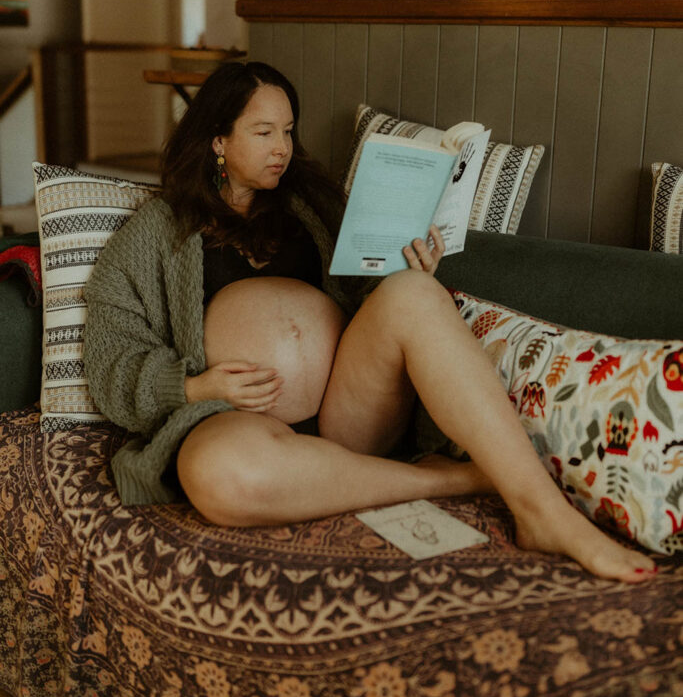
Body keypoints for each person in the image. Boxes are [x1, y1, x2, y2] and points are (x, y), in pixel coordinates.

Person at [83, 61, 658, 584]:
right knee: (216, 477)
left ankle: (543, 510)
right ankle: (451, 480)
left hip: (348, 409)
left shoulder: (313, 205)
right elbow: (110, 351)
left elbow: (371, 303)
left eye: (288, 130)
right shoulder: (157, 231)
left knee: (412, 291)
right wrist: (194, 387)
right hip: (238, 418)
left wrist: (408, 269)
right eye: (263, 133)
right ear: (217, 140)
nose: (282, 147)